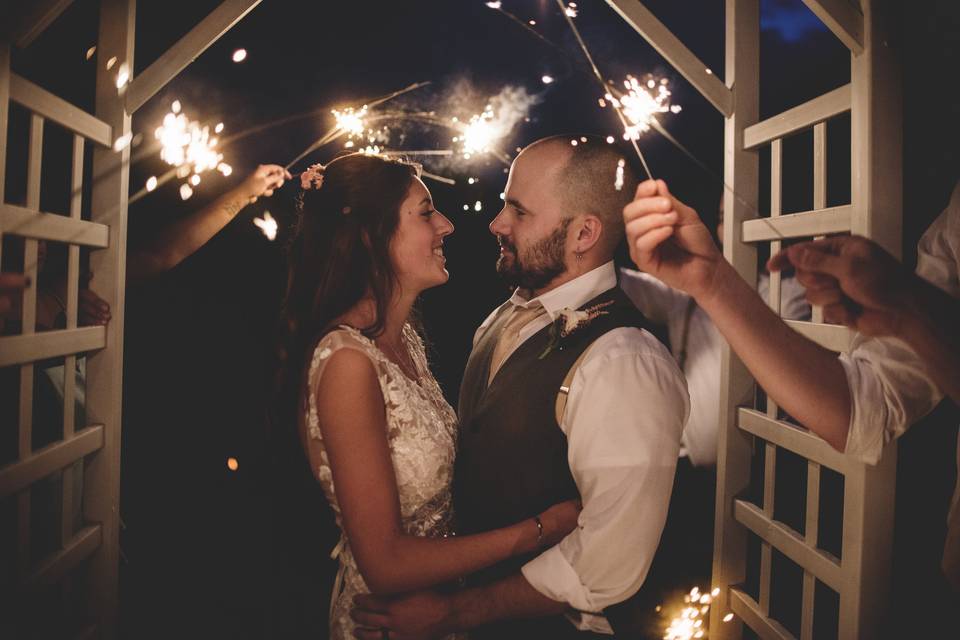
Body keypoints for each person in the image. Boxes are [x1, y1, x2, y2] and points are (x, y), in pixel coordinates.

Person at [352, 136, 689, 639]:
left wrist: (458, 611)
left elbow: (608, 562)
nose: (496, 224)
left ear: (583, 234)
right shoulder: (500, 320)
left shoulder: (624, 361)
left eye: (518, 211)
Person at [272, 153, 581, 640]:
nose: (447, 225)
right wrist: (539, 529)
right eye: (425, 212)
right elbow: (387, 564)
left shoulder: (405, 342)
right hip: (386, 623)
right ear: (373, 236)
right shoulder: (348, 363)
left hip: (437, 613)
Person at [623, 178, 960, 587]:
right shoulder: (685, 300)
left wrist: (906, 307)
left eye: (736, 216)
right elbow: (866, 407)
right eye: (720, 218)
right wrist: (707, 277)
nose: (727, 227)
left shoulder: (788, 293)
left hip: (750, 475)